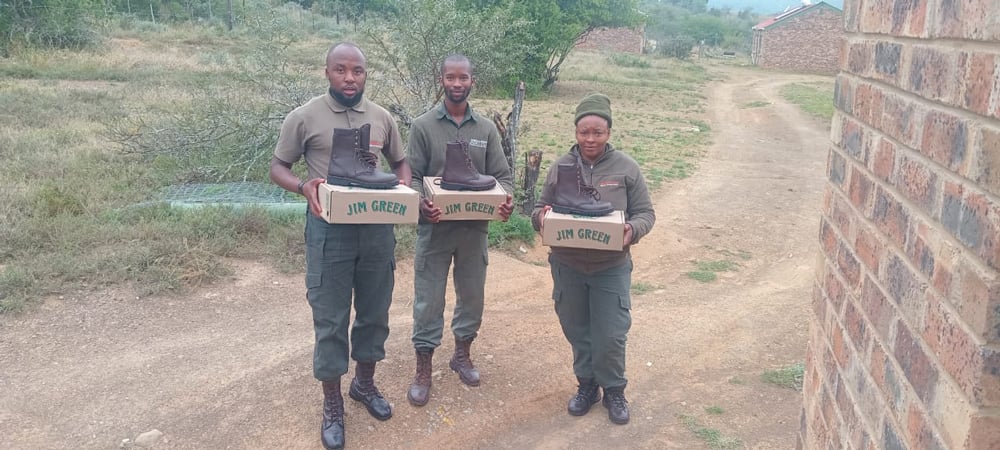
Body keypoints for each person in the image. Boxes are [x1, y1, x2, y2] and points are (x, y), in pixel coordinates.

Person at [269, 42, 412, 450]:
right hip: (329, 229)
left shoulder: (382, 117)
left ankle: (364, 385)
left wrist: (404, 182)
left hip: (377, 229)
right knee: (331, 319)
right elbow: (278, 166)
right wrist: (303, 186)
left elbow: (400, 162)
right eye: (341, 70)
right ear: (327, 72)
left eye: (358, 71)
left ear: (366, 74)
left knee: (373, 312)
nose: (350, 78)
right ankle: (332, 403)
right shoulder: (305, 117)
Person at [531, 93, 655, 425]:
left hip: (610, 267)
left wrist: (632, 229)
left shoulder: (626, 168)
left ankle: (614, 390)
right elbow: (538, 208)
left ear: (609, 132)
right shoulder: (561, 167)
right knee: (577, 329)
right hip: (568, 265)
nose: (590, 139)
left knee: (611, 333)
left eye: (597, 132)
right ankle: (587, 386)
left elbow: (646, 213)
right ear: (575, 131)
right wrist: (540, 219)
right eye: (584, 131)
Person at [405, 54, 514, 407]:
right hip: (434, 230)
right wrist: (422, 202)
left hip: (474, 231)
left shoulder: (484, 129)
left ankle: (461, 355)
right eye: (450, 77)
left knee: (472, 297)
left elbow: (504, 178)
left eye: (463, 77)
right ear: (442, 81)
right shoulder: (423, 126)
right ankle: (424, 367)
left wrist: (506, 202)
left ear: (472, 81)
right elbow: (413, 178)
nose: (456, 83)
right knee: (428, 300)